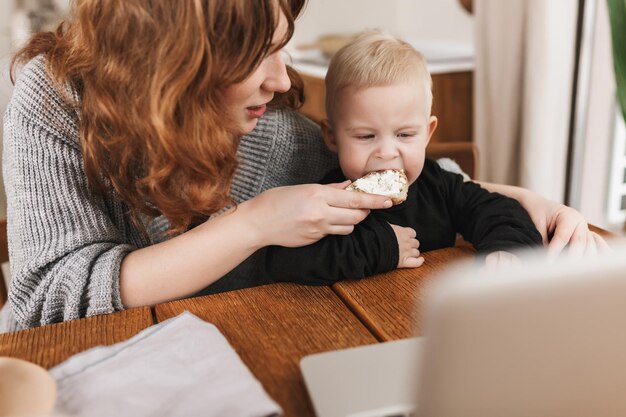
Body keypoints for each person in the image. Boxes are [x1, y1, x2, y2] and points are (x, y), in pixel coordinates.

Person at [0, 0, 606, 332]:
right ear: (178, 62)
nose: (283, 79)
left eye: (283, 46)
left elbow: (394, 182)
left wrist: (530, 201)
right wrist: (252, 224)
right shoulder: (54, 102)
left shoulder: (281, 134)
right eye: (258, 54)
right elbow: (48, 300)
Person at [258, 31, 543, 284]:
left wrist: (507, 250)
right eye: (366, 136)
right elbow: (285, 261)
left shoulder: (440, 186)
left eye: (405, 135)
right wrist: (384, 247)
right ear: (332, 137)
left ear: (427, 133)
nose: (387, 152)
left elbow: (501, 212)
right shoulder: (330, 198)